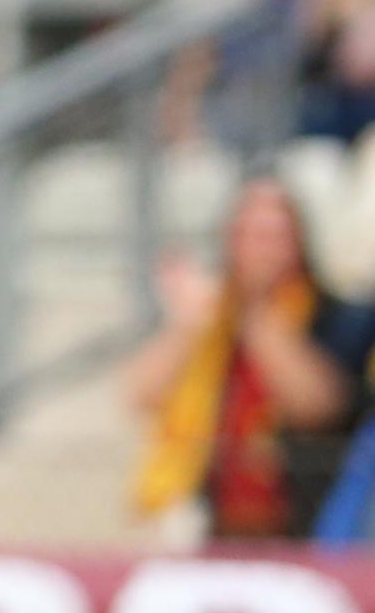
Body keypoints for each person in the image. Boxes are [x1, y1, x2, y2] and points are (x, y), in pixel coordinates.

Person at [129, 174, 373, 542]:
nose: (263, 251)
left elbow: (318, 407)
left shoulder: (337, 317)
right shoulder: (213, 323)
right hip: (216, 527)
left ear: (299, 242)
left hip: (304, 532)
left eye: (275, 237)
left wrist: (255, 314)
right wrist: (187, 325)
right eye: (252, 236)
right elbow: (139, 394)